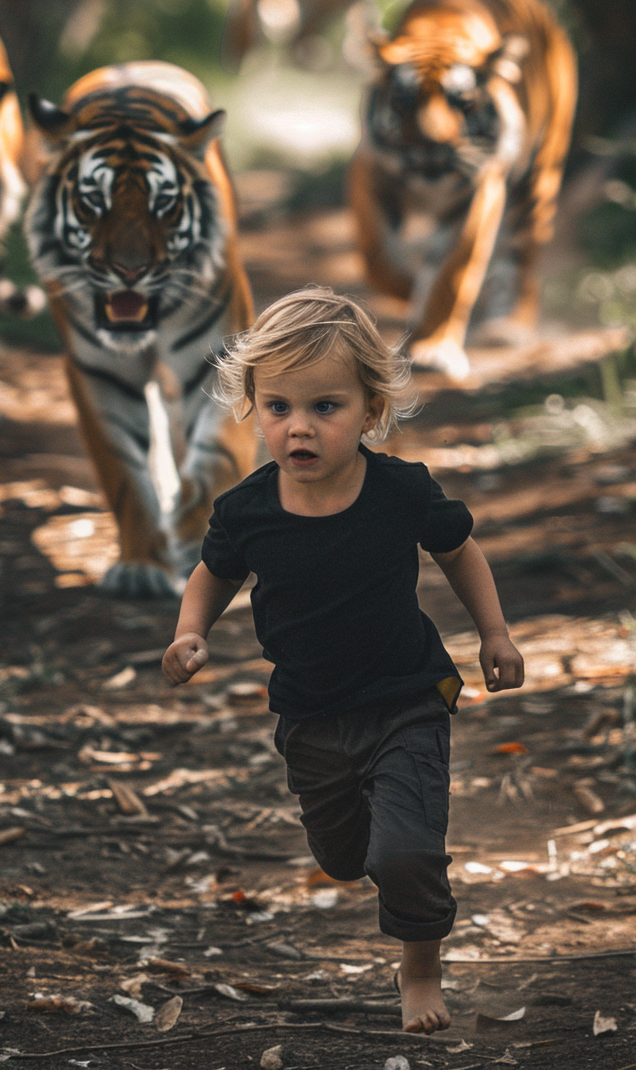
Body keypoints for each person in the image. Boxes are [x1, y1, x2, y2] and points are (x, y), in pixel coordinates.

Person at [162, 286, 525, 1034]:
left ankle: (419, 972)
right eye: (279, 407)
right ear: (253, 407)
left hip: (409, 699)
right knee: (342, 856)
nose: (299, 427)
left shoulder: (399, 490)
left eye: (325, 407)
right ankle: (378, 854)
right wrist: (190, 631)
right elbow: (214, 574)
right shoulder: (247, 511)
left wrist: (494, 635)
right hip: (310, 714)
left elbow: (459, 552)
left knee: (407, 853)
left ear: (370, 409)